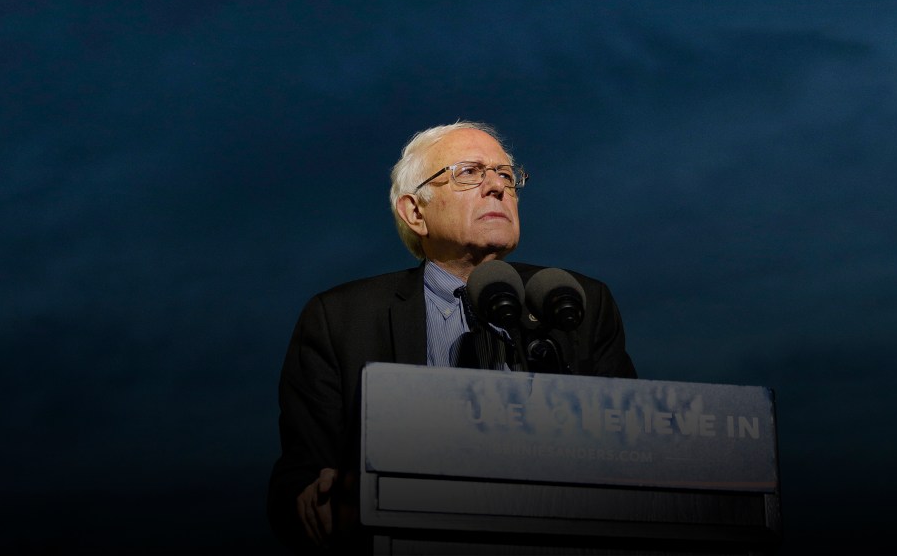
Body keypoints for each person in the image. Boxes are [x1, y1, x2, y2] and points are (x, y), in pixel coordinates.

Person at [268, 121, 636, 553]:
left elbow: (633, 448)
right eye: (469, 172)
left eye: (506, 175)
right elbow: (300, 473)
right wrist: (316, 495)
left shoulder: (576, 302)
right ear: (415, 212)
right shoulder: (339, 318)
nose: (497, 187)